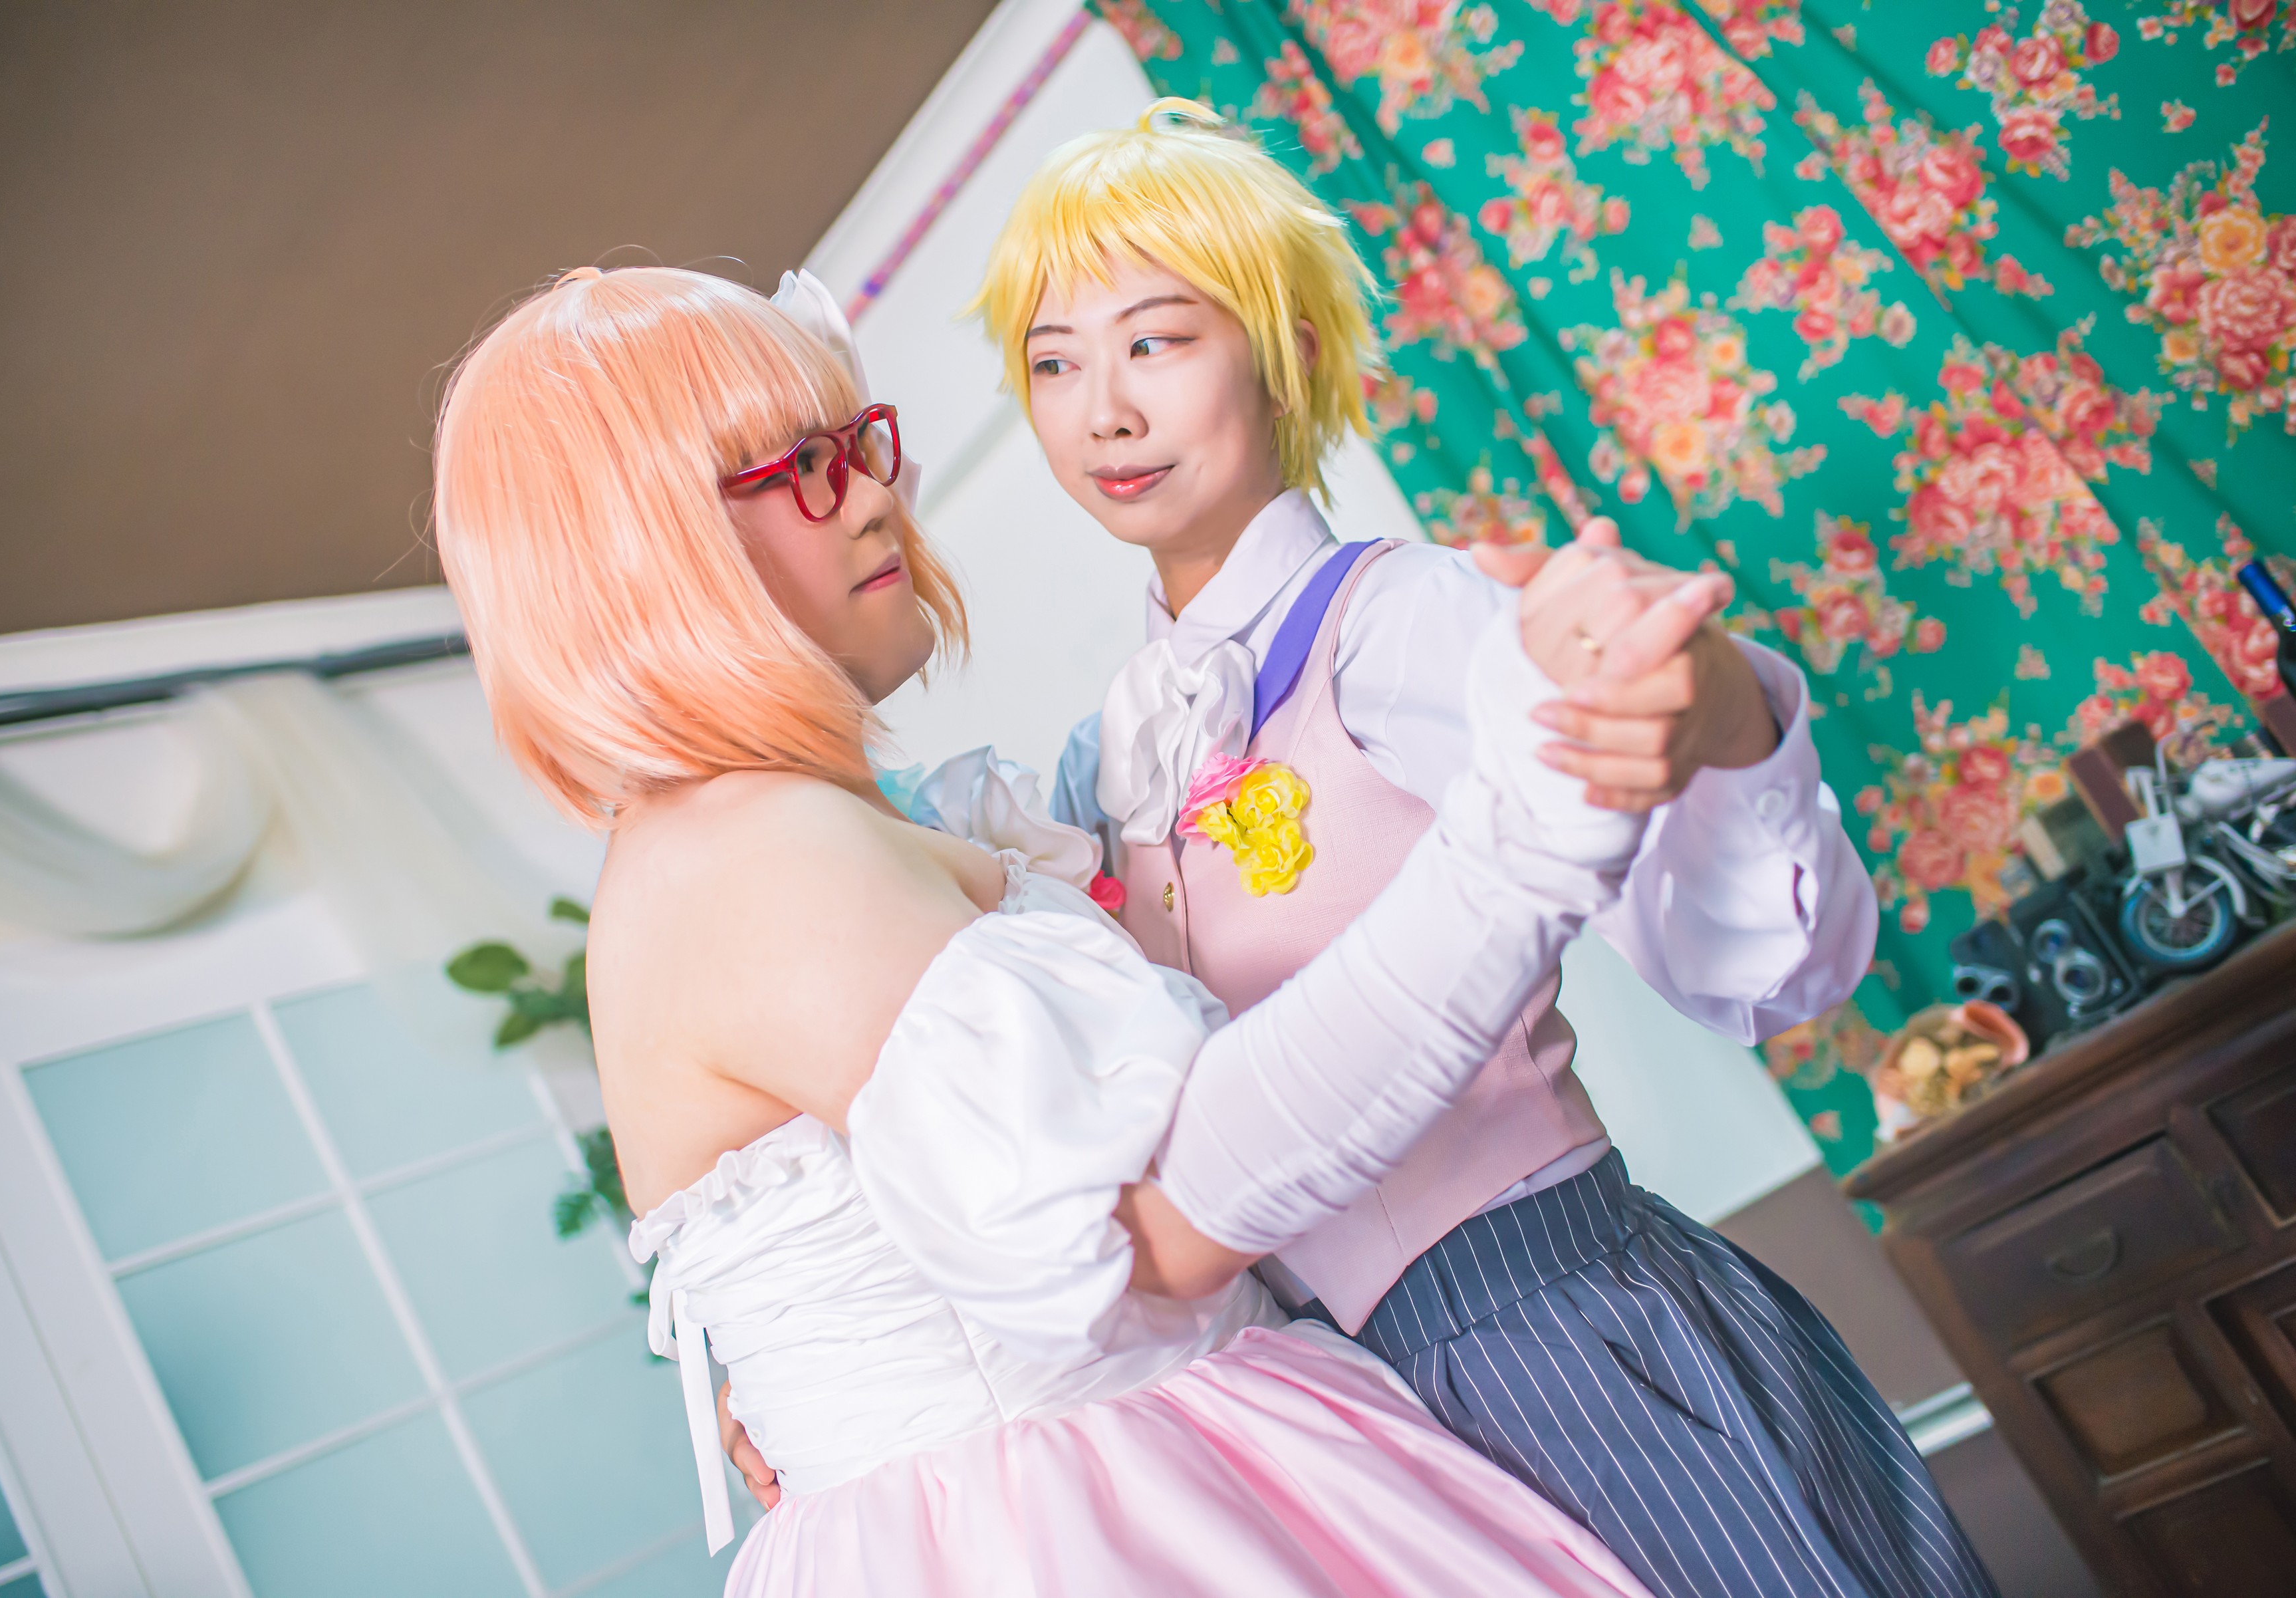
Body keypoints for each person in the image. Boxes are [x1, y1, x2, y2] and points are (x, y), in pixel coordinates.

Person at [432, 262, 1725, 1596]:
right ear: (645, 560)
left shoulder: (762, 834)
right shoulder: (752, 853)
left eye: (855, 443)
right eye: (803, 468)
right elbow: (1150, 1232)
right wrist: (1517, 853)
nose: (876, 495)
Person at [964, 101, 1995, 1598]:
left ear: (1287, 355)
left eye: (1157, 341)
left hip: (1560, 1339)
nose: (1102, 411)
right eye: (1054, 362)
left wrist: (1721, 716)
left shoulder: (1403, 619)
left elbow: (1757, 971)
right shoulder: (1099, 759)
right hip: (1336, 1420)